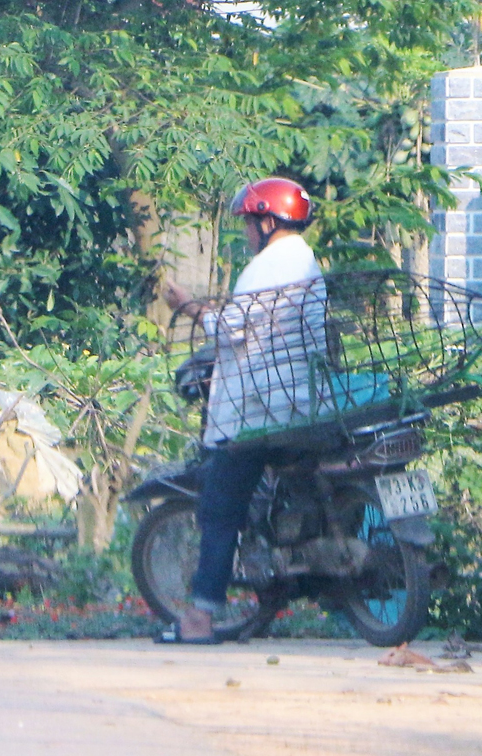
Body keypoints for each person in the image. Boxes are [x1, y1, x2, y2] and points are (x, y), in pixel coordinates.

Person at [160, 177, 326, 643]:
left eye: (251, 223)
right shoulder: (305, 262)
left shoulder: (266, 266)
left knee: (219, 510)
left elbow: (228, 332)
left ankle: (198, 621)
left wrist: (189, 306)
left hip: (259, 408)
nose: (248, 233)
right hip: (302, 401)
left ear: (268, 221)